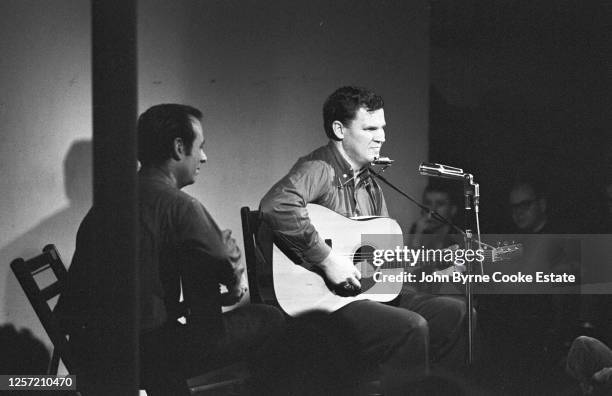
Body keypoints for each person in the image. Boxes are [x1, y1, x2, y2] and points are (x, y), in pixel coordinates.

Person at [57, 104, 285, 395]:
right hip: (143, 355)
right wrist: (235, 281)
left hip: (93, 352)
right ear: (179, 147)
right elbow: (222, 255)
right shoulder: (178, 206)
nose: (204, 157)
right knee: (270, 319)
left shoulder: (109, 202)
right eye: (200, 147)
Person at [259, 86, 468, 395]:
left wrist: (432, 270)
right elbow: (276, 205)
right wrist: (328, 261)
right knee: (411, 327)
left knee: (458, 314)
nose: (381, 136)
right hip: (326, 306)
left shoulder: (371, 183)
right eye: (370, 128)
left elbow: (380, 265)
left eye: (382, 127)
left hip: (366, 296)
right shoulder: (320, 168)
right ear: (339, 130)